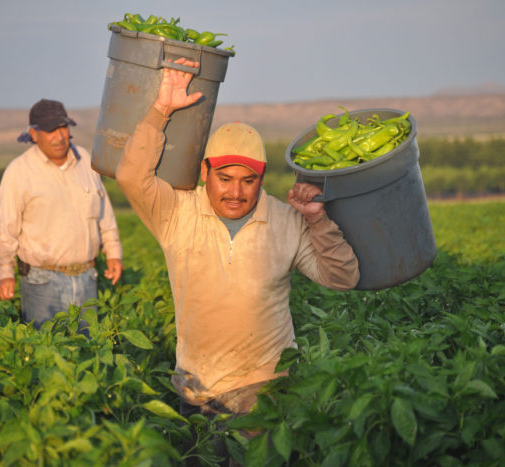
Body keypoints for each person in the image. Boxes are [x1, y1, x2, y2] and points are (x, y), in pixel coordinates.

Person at [115, 57, 359, 426]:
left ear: (261, 179)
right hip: (196, 387)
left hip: (264, 388)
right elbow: (131, 176)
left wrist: (316, 219)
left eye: (248, 180)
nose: (235, 192)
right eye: (225, 178)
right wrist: (161, 108)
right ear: (205, 172)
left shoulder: (286, 221)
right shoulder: (177, 212)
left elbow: (343, 278)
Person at [0, 98, 123, 336]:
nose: (60, 136)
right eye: (51, 130)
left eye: (63, 128)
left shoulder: (85, 160)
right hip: (41, 282)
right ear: (34, 134)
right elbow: (6, 231)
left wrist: (114, 254)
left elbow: (105, 214)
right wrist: (5, 274)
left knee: (88, 351)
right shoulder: (19, 172)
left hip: (86, 279)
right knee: (47, 355)